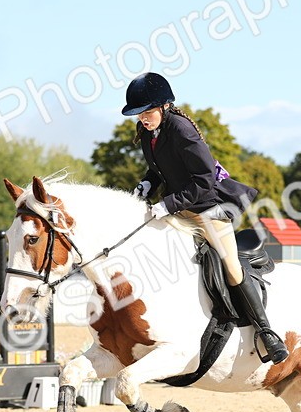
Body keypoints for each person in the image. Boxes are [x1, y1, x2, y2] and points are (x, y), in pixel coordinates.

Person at [122, 71, 288, 363]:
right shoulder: (149, 132)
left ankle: (266, 333)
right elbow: (160, 169)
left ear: (163, 107)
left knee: (231, 265)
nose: (143, 119)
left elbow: (204, 180)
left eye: (147, 112)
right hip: (180, 208)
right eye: (139, 114)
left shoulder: (182, 130)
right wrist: (148, 183)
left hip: (208, 206)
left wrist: (169, 203)